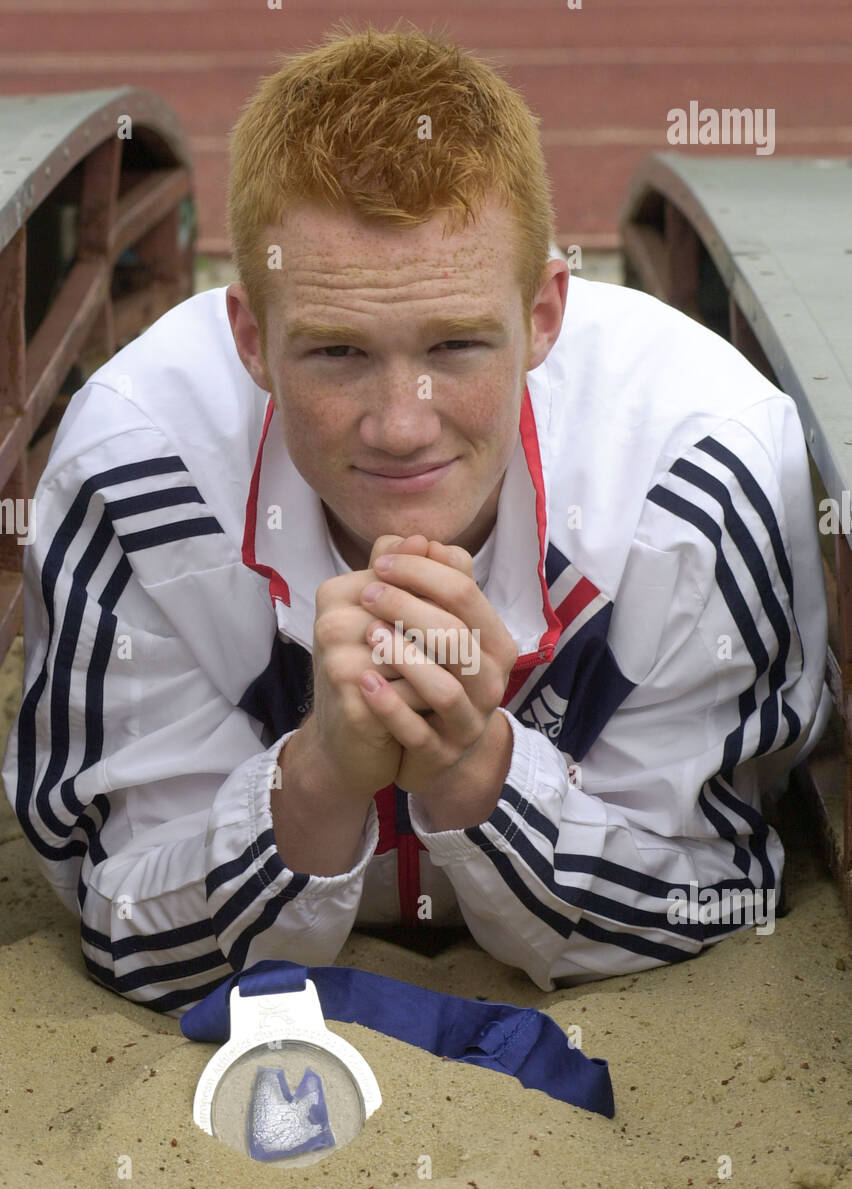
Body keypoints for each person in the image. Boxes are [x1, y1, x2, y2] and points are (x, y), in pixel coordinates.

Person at [1, 23, 830, 1015]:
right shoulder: (137, 469)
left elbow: (720, 886)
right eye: (337, 355)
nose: (401, 425)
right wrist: (315, 778)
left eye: (457, 344)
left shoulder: (699, 475)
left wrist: (473, 769)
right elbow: (120, 921)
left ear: (546, 316)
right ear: (251, 340)